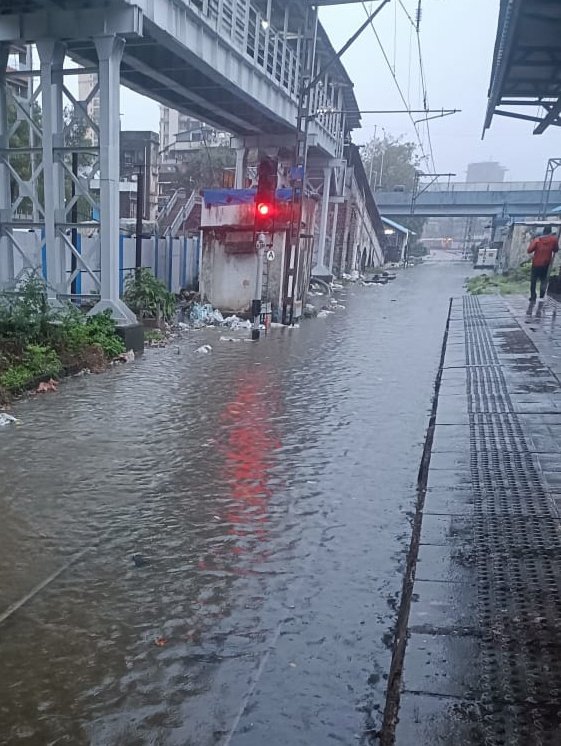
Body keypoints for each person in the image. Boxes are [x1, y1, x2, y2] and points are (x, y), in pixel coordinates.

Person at [528, 225, 559, 301]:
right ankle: (542, 295)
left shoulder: (537, 240)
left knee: (533, 280)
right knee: (543, 280)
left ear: (543, 231)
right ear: (550, 231)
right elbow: (556, 250)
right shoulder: (554, 240)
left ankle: (533, 296)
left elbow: (529, 250)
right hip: (546, 263)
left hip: (536, 263)